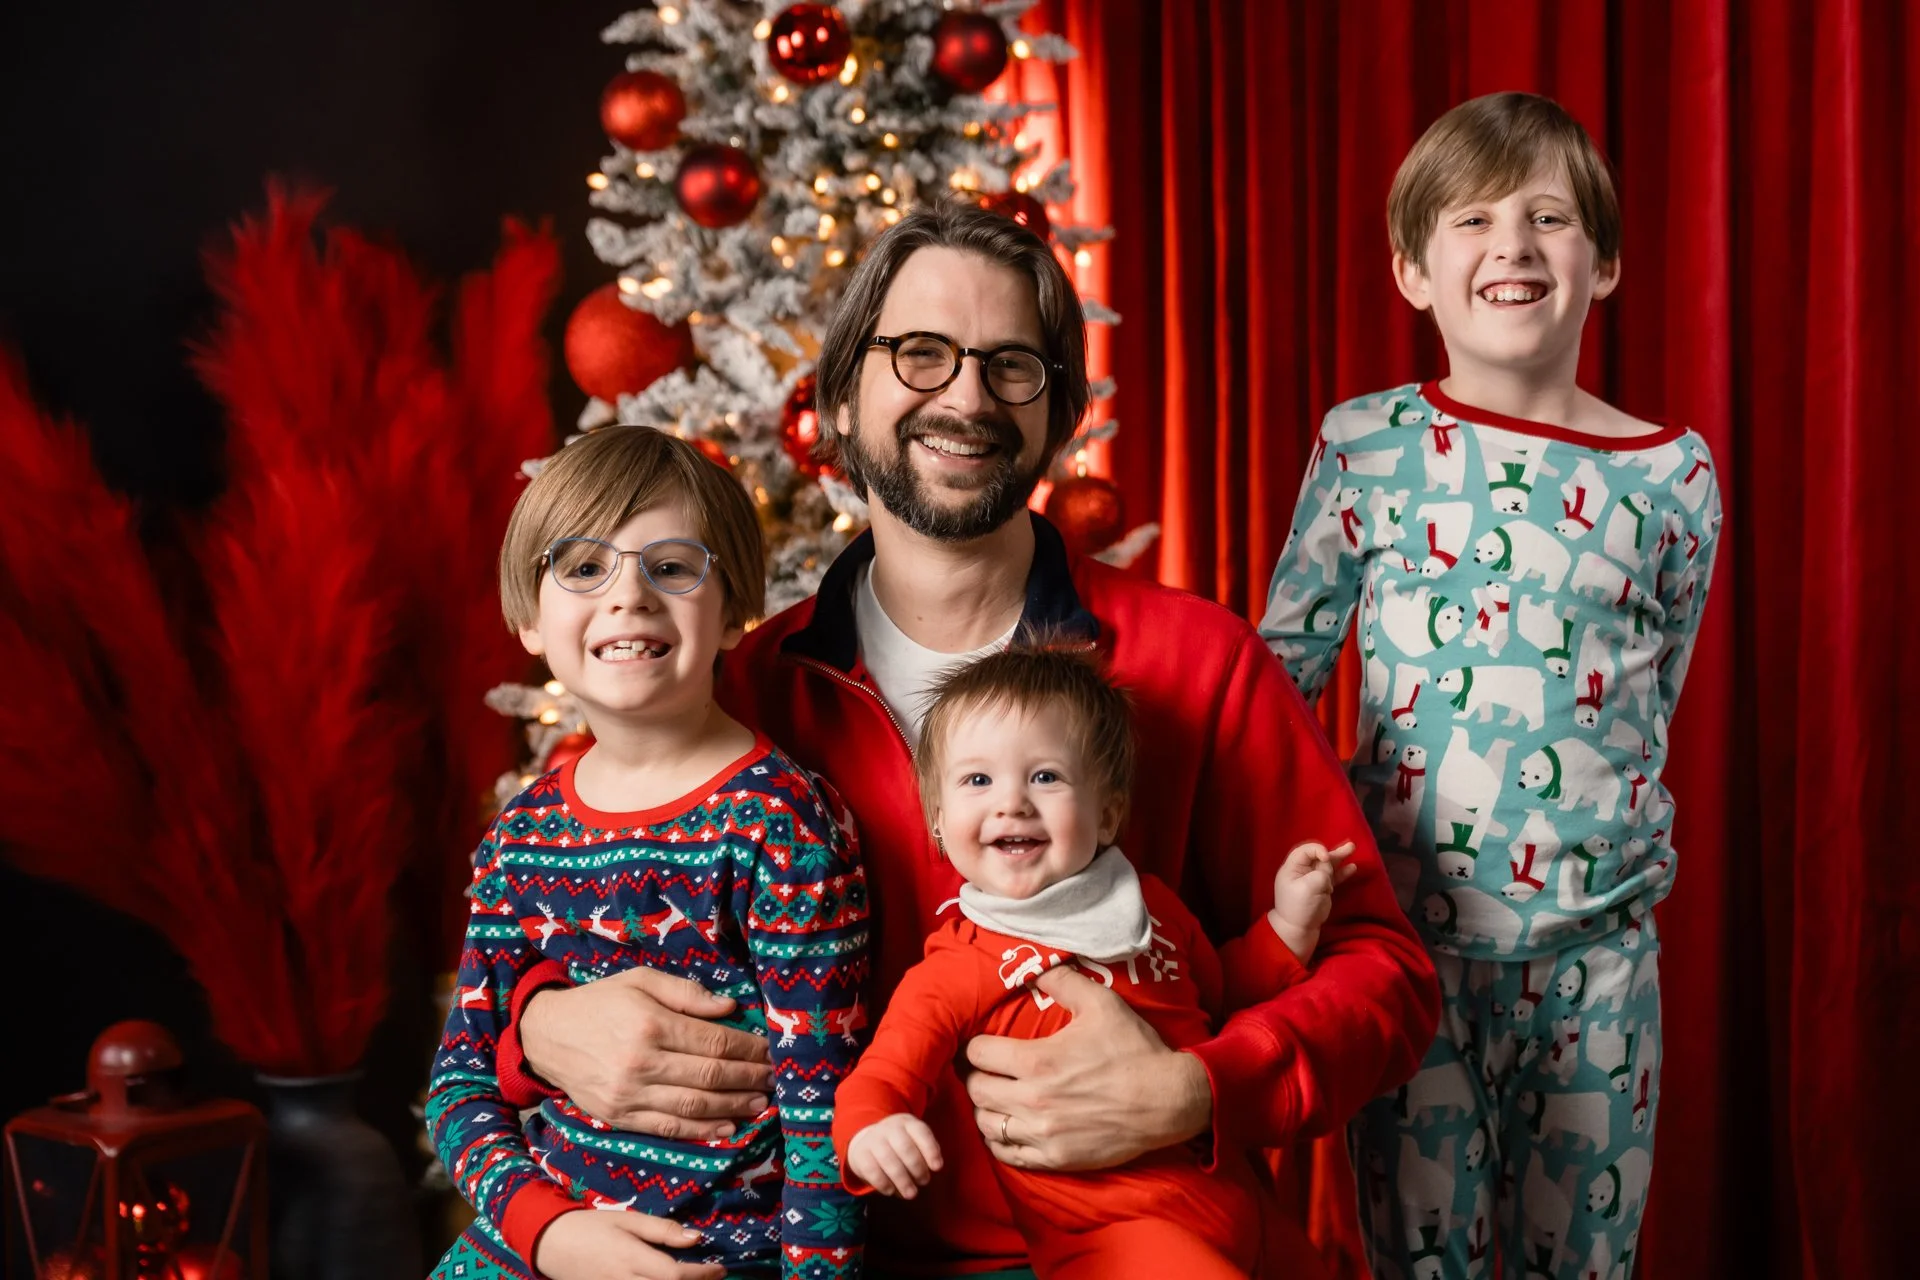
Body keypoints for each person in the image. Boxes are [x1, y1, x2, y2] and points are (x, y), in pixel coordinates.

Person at [494, 198, 1440, 1279]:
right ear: (841, 401)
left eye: (1011, 366)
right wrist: (539, 1029)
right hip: (819, 1253)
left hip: (1148, 1236)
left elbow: (1386, 971)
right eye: (921, 354)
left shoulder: (1198, 664)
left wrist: (1200, 1085)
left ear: (1060, 415)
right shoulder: (741, 691)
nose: (967, 395)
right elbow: (534, 930)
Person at [1259, 92, 1723, 1279]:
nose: (1512, 244)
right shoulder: (1367, 445)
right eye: (1472, 219)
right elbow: (1279, 680)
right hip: (1409, 953)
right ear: (1414, 269)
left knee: (1587, 1261)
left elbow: (1648, 698)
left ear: (1603, 260)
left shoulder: (1673, 478)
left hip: (1600, 960)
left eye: (1550, 217)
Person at [425, 427, 869, 1280]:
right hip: (540, 1240)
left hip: (719, 1255)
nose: (629, 596)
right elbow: (461, 1082)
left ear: (737, 607)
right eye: (584, 568)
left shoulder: (783, 827)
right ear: (527, 617)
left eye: (672, 566)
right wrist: (546, 1232)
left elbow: (825, 1123)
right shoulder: (523, 837)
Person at [834, 643, 1357, 1279]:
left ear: (1107, 813)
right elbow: (882, 1075)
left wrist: (1287, 929)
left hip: (1236, 1201)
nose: (1013, 803)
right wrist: (871, 1131)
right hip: (1114, 1238)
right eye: (978, 780)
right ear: (939, 822)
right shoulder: (958, 963)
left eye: (1045, 776)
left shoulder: (1150, 905)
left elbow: (1221, 996)